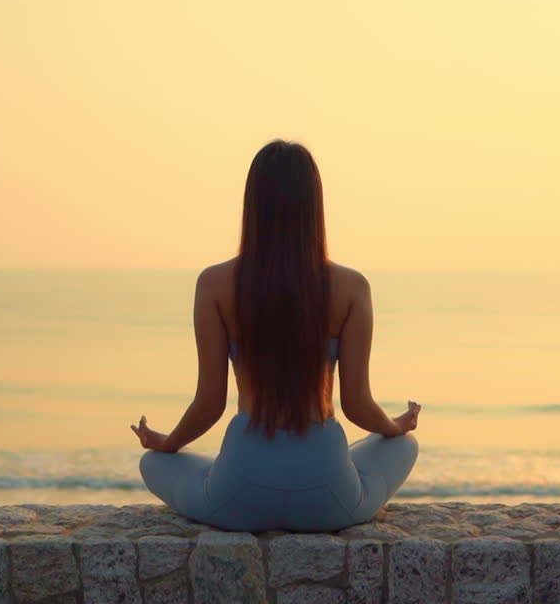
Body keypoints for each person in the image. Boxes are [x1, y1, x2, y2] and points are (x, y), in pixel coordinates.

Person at [130, 139, 420, 532]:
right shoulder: (352, 287)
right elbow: (357, 406)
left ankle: (233, 473)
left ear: (252, 205)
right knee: (403, 446)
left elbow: (209, 404)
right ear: (314, 206)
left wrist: (166, 444)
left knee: (154, 464)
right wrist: (397, 425)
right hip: (329, 498)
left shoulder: (214, 285)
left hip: (238, 494)